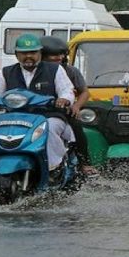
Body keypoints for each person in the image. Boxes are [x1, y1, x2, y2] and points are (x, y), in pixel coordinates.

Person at [0, 34, 76, 176]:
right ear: (16, 54)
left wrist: (64, 99)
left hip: (48, 116)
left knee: (50, 129)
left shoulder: (55, 70)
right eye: (24, 53)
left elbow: (67, 91)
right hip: (13, 119)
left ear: (40, 53)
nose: (28, 56)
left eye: (33, 52)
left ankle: (53, 167)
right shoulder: (6, 72)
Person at [40, 36, 99, 176]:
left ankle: (85, 163)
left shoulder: (70, 71)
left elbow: (84, 92)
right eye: (53, 55)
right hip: (35, 111)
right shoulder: (34, 71)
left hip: (62, 112)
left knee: (77, 128)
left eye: (61, 54)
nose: (58, 58)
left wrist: (76, 106)